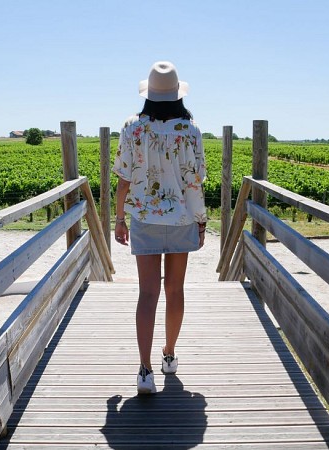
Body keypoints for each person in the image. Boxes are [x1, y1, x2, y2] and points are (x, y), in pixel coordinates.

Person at [112, 61, 207, 394]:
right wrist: (201, 221)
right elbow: (195, 182)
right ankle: (168, 354)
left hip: (144, 218)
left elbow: (123, 180)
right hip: (181, 218)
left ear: (149, 94)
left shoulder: (132, 128)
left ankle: (144, 371)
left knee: (148, 293)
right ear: (177, 94)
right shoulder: (191, 130)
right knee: (175, 290)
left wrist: (119, 218)